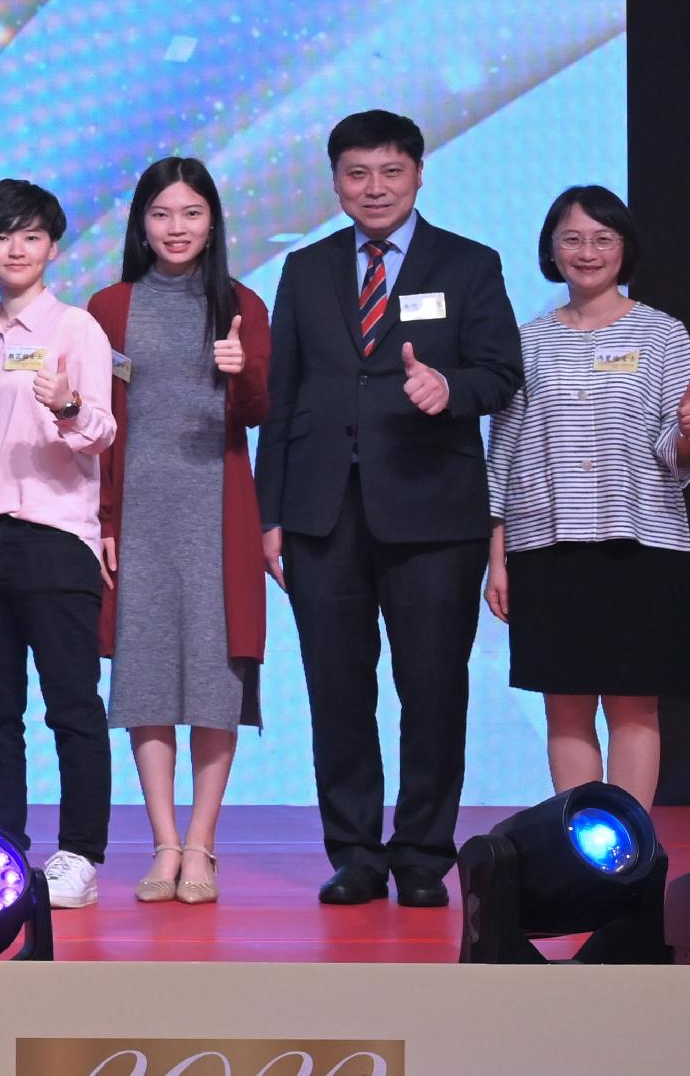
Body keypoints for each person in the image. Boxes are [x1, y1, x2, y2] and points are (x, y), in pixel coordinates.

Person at [258, 109, 519, 907]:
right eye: (357, 174)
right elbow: (282, 396)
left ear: (417, 174)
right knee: (338, 690)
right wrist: (271, 515)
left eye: (390, 172)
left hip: (435, 515)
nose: (374, 188)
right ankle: (357, 855)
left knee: (433, 688)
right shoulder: (306, 269)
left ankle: (421, 855)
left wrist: (452, 390)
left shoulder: (468, 264)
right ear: (336, 182)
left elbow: (502, 373)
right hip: (321, 513)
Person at [488, 185, 690, 807]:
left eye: (602, 238)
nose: (587, 252)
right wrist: (497, 554)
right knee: (565, 704)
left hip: (645, 542)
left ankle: (630, 856)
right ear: (552, 251)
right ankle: (580, 857)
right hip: (546, 544)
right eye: (572, 238)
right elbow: (502, 450)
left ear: (624, 248)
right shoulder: (526, 341)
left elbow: (677, 448)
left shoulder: (664, 334)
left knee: (635, 706)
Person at [92, 155, 271, 906]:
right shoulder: (109, 307)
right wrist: (103, 521)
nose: (176, 228)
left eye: (191, 214)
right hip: (136, 518)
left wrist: (240, 370)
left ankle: (204, 844)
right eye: (162, 215)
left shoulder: (240, 303)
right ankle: (163, 844)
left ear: (212, 221)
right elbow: (99, 424)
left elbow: (263, 410)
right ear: (141, 223)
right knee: (146, 680)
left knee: (214, 681)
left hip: (216, 514)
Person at [0, 179, 121, 911]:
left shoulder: (76, 331)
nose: (15, 249)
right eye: (1, 235)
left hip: (55, 540)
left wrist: (71, 404)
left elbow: (102, 435)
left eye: (30, 236)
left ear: (52, 246)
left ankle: (80, 855)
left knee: (72, 706)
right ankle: (2, 845)